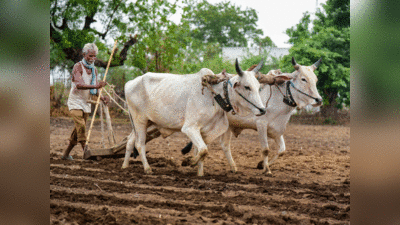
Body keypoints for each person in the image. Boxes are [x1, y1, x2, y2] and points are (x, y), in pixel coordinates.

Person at [61, 43, 110, 160]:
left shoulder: (95, 70)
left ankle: (66, 154)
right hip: (75, 102)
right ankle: (87, 152)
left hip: (86, 103)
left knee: (78, 130)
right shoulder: (77, 67)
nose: (92, 58)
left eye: (94, 56)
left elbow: (95, 88)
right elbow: (79, 85)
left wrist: (102, 97)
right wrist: (96, 86)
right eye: (90, 56)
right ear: (84, 54)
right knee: (81, 125)